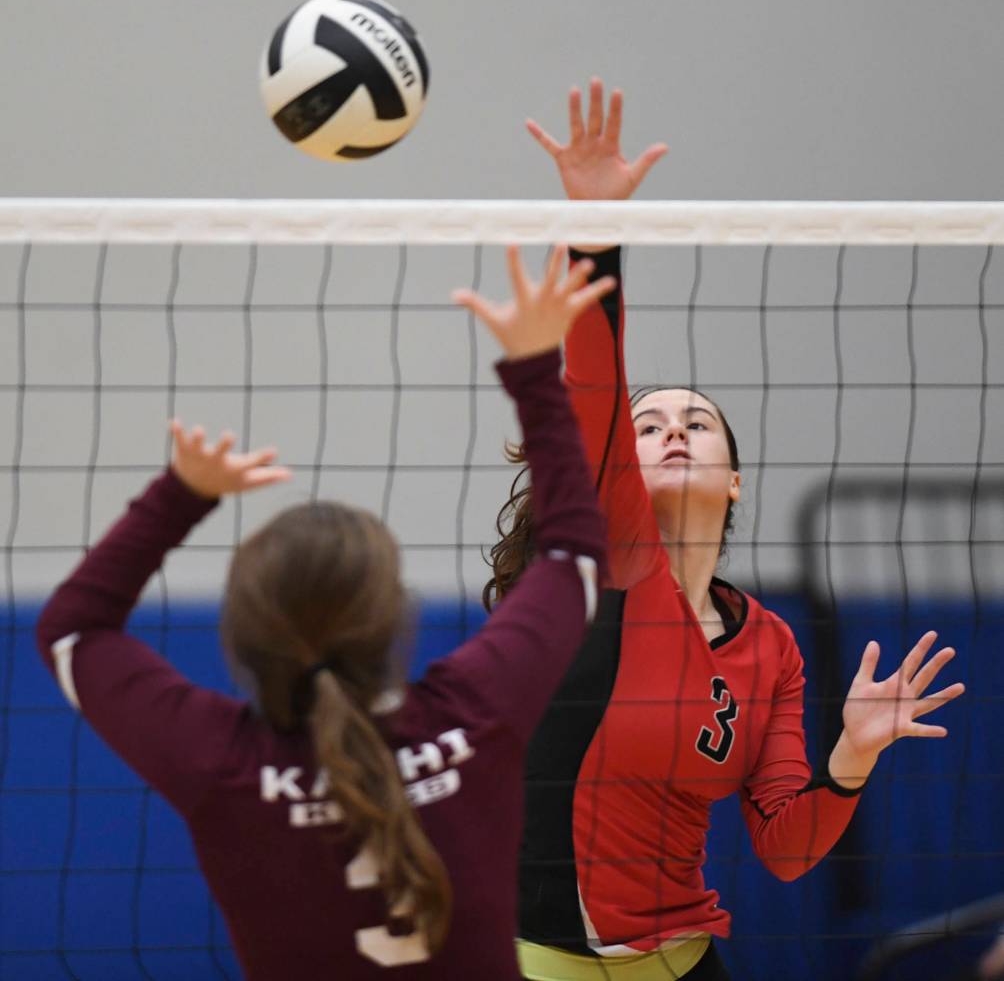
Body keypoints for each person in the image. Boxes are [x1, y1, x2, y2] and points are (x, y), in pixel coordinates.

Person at [484, 79, 966, 981]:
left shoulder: (772, 648)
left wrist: (852, 757)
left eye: (697, 421)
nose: (672, 427)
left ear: (734, 480)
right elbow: (593, 374)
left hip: (686, 958)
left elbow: (785, 846)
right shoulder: (615, 564)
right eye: (652, 420)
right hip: (545, 963)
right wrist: (593, 229)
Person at [36, 246, 616, 981]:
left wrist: (180, 494)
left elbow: (73, 631)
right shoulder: (475, 716)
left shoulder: (226, 766)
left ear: (241, 637)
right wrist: (533, 368)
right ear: (394, 616)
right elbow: (574, 554)